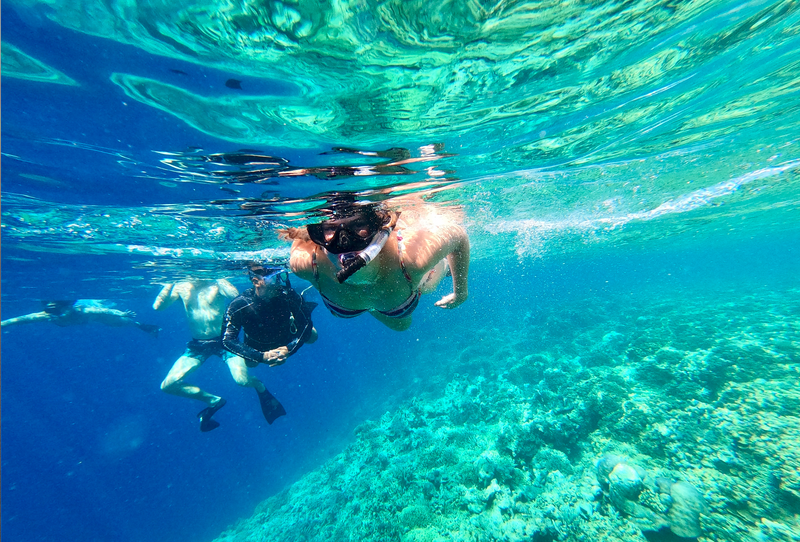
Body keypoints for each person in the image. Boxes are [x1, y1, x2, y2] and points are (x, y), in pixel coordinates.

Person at [281, 195, 470, 332]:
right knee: (401, 324)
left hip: (412, 282)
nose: (345, 241)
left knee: (415, 307)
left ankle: (442, 268)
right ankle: (371, 306)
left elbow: (459, 236)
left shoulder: (411, 259)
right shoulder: (307, 264)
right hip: (389, 301)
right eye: (329, 229)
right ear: (316, 235)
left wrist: (460, 292)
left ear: (379, 229)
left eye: (358, 226)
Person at [221, 263, 318, 427]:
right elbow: (226, 340)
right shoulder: (239, 304)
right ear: (255, 281)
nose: (278, 283)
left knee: (313, 336)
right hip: (257, 342)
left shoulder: (288, 295)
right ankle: (258, 367)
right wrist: (261, 356)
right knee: (251, 364)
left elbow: (307, 325)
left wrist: (289, 349)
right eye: (272, 278)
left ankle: (292, 320)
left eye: (280, 276)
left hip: (285, 335)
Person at [153, 279, 242, 432]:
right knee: (167, 385)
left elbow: (238, 298)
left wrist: (220, 278)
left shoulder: (215, 283)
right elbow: (157, 307)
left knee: (242, 380)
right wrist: (169, 283)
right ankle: (214, 401)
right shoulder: (180, 286)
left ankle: (260, 388)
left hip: (225, 341)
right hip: (198, 344)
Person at [1, 299, 160, 336]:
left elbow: (104, 311)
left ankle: (143, 326)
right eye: (53, 311)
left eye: (60, 310)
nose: (58, 314)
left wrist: (122, 313)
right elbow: (21, 319)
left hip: (95, 316)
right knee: (116, 322)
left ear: (68, 306)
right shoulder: (47, 315)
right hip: (90, 319)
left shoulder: (83, 310)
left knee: (122, 323)